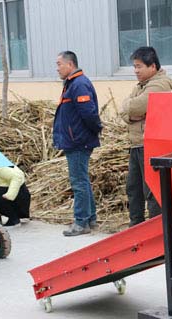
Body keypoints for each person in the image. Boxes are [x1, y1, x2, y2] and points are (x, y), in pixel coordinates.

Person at [120, 46, 172, 226]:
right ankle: (135, 226)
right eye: (134, 66)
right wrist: (131, 113)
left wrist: (131, 109)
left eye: (139, 66)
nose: (136, 71)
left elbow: (136, 106)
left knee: (150, 189)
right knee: (133, 188)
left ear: (152, 66)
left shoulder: (161, 84)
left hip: (150, 145)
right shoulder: (140, 86)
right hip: (136, 144)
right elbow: (124, 110)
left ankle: (156, 229)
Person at [53, 50, 102, 236]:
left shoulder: (79, 84)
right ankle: (90, 219)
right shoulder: (72, 84)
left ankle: (81, 222)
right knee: (82, 180)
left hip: (79, 142)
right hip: (76, 140)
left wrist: (94, 131)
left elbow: (89, 113)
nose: (57, 68)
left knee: (79, 182)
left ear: (70, 64)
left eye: (59, 64)